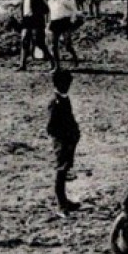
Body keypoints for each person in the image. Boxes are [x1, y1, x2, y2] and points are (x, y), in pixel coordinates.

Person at [48, 68, 81, 214]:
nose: (68, 86)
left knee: (65, 169)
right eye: (66, 83)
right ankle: (61, 204)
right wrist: (64, 138)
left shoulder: (64, 99)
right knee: (61, 172)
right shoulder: (55, 103)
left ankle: (64, 200)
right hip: (62, 142)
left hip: (68, 141)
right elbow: (51, 127)